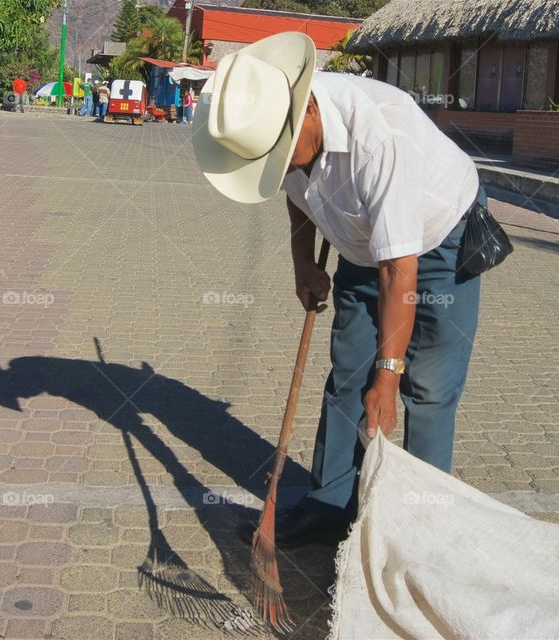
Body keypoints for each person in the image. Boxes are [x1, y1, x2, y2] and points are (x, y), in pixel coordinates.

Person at [193, 33, 485, 547]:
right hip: (358, 245)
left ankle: (416, 531)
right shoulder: (270, 125)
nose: (280, 168)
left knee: (425, 392)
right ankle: (329, 507)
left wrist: (389, 375)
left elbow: (399, 270)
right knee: (348, 373)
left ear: (307, 110)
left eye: (284, 157)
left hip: (437, 244)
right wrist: (302, 262)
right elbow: (296, 192)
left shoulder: (383, 135)